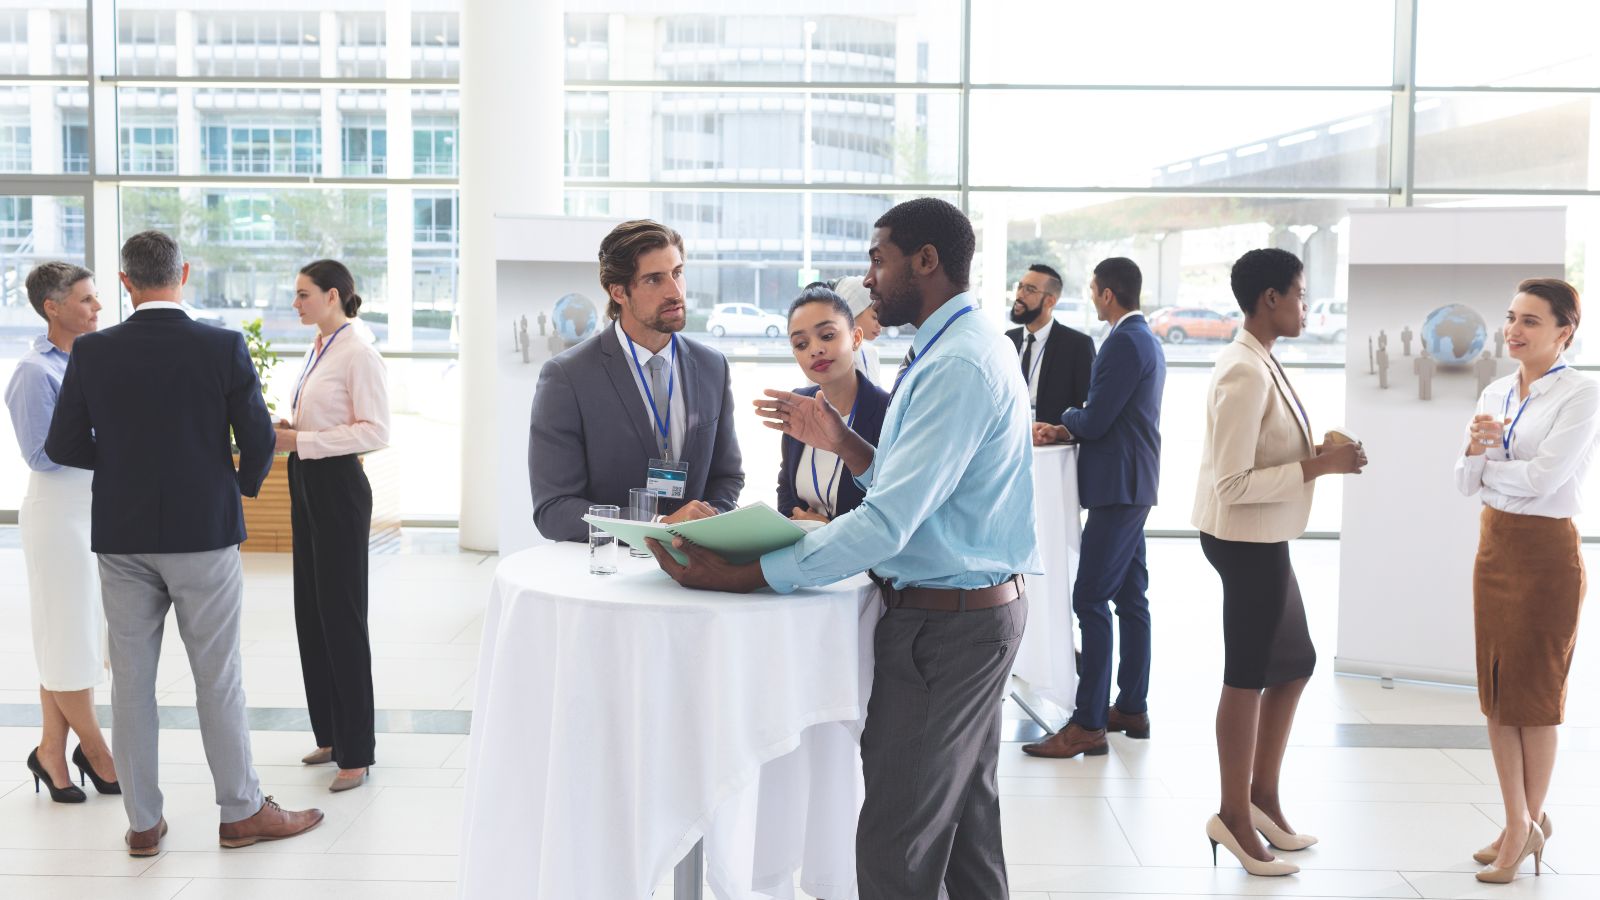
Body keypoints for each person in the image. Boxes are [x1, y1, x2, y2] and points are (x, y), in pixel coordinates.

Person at [646, 198, 1039, 897]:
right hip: (972, 613)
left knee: (897, 841)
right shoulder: (964, 344)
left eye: (878, 258)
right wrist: (841, 440)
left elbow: (889, 523)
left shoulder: (956, 364)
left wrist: (751, 574)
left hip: (947, 627)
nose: (869, 276)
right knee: (965, 835)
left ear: (926, 261)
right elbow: (921, 487)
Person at [44, 230, 323, 857]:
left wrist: (119, 468)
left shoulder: (93, 352)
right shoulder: (220, 346)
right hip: (205, 532)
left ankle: (143, 823)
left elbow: (62, 445)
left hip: (123, 534)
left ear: (124, 283)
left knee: (133, 684)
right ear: (185, 274)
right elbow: (257, 438)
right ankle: (241, 812)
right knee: (217, 678)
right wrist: (233, 485)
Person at [1191, 248, 1366, 877]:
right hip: (1244, 540)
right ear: (1270, 299)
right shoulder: (1244, 370)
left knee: (1295, 661)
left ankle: (1261, 797)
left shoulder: (1262, 360)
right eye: (1297, 293)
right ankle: (1232, 815)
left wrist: (1317, 453)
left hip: (1264, 537)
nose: (1303, 304)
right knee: (1247, 673)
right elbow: (1232, 484)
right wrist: (1320, 466)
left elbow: (1259, 457)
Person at [1454, 277, 1594, 884]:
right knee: (1497, 692)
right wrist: (1483, 463)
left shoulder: (1582, 394)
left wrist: (1493, 468)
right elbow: (1464, 482)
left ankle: (1522, 825)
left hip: (1544, 556)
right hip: (1495, 549)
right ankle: (1521, 819)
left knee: (1533, 700)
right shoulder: (1493, 390)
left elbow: (1544, 481)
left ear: (1565, 330)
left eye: (1531, 321)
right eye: (1511, 317)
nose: (1513, 329)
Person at [1025, 257, 1163, 759]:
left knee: (1090, 600)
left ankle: (1088, 723)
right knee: (1131, 599)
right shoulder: (1143, 337)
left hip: (1117, 488)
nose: (1092, 296)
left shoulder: (1124, 341)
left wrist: (1062, 418)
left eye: (1093, 290)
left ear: (1107, 294)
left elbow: (1098, 418)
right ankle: (1130, 705)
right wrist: (1073, 425)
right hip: (1131, 484)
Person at [529, 219, 743, 541]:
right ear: (618, 292)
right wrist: (658, 524)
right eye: (654, 280)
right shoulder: (567, 377)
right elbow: (554, 509)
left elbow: (726, 477)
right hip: (611, 570)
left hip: (697, 568)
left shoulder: (712, 366)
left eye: (677, 273)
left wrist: (708, 523)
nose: (675, 291)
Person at [274, 259, 391, 793]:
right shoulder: (319, 347)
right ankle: (331, 733)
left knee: (341, 615)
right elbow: (323, 420)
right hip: (306, 481)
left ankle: (357, 751)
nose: (295, 303)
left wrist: (303, 441)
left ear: (334, 296)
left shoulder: (358, 352)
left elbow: (374, 431)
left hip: (337, 486)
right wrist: (293, 430)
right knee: (311, 610)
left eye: (303, 294)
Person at [5, 262, 119, 803]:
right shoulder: (34, 371)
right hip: (59, 512)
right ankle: (96, 751)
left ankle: (51, 750)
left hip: (95, 508)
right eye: (87, 300)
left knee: (73, 637)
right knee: (68, 634)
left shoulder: (96, 359)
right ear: (53, 307)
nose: (98, 308)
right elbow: (40, 453)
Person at [776, 284, 890, 523]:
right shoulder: (799, 404)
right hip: (803, 554)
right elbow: (786, 493)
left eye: (827, 336)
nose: (815, 350)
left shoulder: (887, 412)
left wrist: (827, 530)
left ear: (856, 338)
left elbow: (891, 511)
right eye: (801, 344)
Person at [1006, 262, 1095, 425]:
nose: (1019, 295)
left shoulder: (1077, 345)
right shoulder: (1008, 340)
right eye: (1020, 286)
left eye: (1030, 290)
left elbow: (1086, 407)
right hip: (1010, 438)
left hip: (1053, 444)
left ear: (1050, 301)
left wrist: (1059, 432)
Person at [835, 275, 882, 385]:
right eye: (874, 317)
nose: (880, 325)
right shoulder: (830, 357)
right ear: (852, 311)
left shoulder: (871, 352)